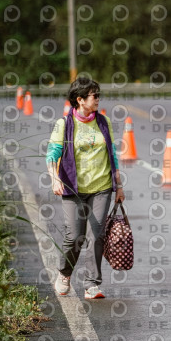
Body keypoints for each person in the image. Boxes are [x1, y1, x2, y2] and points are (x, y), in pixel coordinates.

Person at [46, 77, 124, 299]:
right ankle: (64, 274)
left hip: (101, 187)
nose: (98, 99)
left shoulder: (103, 122)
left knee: (96, 235)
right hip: (73, 190)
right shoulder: (64, 124)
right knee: (74, 237)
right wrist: (54, 178)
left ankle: (92, 284)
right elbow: (52, 154)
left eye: (99, 95)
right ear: (80, 100)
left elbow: (112, 156)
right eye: (94, 96)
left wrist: (118, 186)